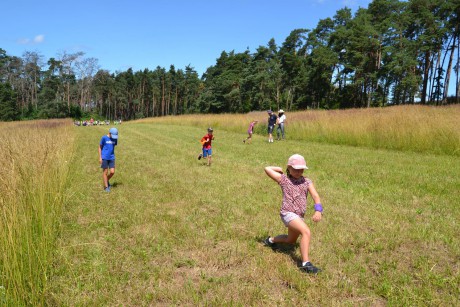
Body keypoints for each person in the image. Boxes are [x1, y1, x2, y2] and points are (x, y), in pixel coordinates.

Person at [263, 154, 323, 274]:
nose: (298, 172)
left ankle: (270, 240)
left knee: (290, 240)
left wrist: (318, 210)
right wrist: (278, 169)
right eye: (295, 169)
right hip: (287, 213)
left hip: (299, 216)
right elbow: (267, 169)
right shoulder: (284, 179)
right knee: (306, 232)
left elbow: (316, 196)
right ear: (289, 168)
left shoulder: (307, 182)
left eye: (301, 169)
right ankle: (306, 264)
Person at [99, 127, 118, 192]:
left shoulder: (115, 139)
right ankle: (106, 187)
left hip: (112, 157)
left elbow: (112, 147)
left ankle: (106, 180)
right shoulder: (104, 138)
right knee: (105, 172)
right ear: (109, 133)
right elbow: (100, 147)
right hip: (104, 157)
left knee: (112, 172)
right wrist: (100, 157)